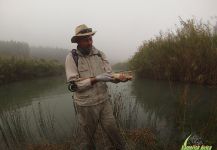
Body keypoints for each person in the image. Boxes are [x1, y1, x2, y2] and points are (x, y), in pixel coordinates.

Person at [65, 24, 126, 150]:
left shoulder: (100, 54)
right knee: (88, 139)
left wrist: (118, 79)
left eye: (90, 39)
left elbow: (109, 75)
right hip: (85, 105)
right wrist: (96, 79)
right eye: (85, 40)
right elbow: (73, 86)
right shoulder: (71, 58)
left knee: (113, 130)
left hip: (104, 101)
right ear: (77, 41)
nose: (89, 42)